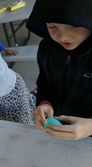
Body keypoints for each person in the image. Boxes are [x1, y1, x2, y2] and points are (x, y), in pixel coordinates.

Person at [27, 0, 92, 140]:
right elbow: (44, 82)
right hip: (57, 126)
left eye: (74, 25)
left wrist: (90, 126)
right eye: (52, 26)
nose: (62, 37)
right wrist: (44, 102)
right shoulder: (46, 49)